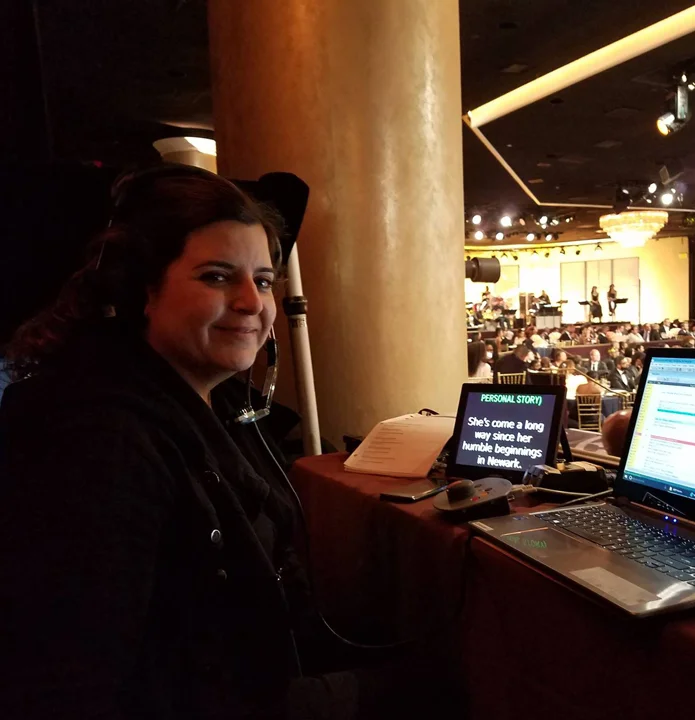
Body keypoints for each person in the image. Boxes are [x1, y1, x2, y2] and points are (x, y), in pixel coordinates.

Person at [0, 165, 461, 720]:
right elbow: (82, 688)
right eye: (217, 277)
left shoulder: (205, 406)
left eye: (263, 281)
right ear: (139, 290)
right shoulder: (100, 442)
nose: (252, 303)